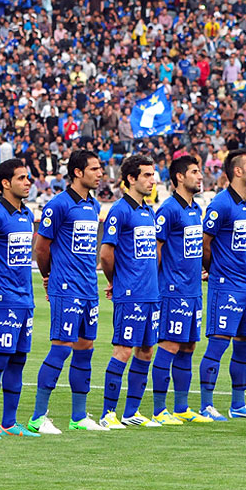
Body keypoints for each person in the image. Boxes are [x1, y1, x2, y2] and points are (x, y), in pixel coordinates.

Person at [30, 150, 105, 434]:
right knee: (61, 349)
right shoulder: (58, 205)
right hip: (66, 286)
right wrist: (50, 276)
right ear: (77, 172)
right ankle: (38, 417)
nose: (100, 174)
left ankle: (78, 416)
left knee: (85, 350)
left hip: (88, 286)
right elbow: (41, 247)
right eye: (95, 169)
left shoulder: (93, 205)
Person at [99, 154, 170, 428]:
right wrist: (116, 281)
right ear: (131, 178)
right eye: (147, 175)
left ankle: (131, 413)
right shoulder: (120, 210)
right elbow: (106, 253)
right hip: (130, 294)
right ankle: (107, 414)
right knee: (124, 351)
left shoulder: (147, 210)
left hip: (151, 293)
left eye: (153, 175)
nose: (152, 180)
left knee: (146, 351)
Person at [201, 149, 246, 419]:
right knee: (218, 343)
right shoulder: (221, 204)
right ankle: (206, 404)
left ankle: (238, 404)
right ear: (237, 171)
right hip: (225, 285)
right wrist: (212, 270)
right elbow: (205, 242)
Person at [152, 155, 216, 423]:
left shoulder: (194, 209)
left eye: (200, 171)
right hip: (172, 290)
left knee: (188, 347)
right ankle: (158, 409)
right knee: (169, 345)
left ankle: (181, 408)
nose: (200, 176)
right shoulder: (167, 210)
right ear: (180, 177)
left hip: (192, 290)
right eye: (194, 171)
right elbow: (155, 250)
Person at [0, 158, 40, 439]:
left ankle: (9, 422)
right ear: (5, 183)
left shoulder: (26, 215)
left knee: (19, 360)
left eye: (28, 178)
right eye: (21, 178)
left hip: (24, 298)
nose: (28, 182)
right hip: (0, 300)